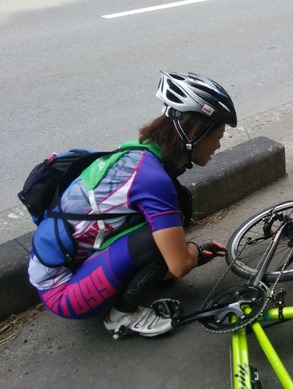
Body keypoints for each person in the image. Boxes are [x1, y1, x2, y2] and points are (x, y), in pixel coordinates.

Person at [27, 72, 236, 339]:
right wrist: (191, 252)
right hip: (64, 293)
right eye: (218, 134)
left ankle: (139, 278)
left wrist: (187, 253)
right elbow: (180, 266)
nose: (219, 143)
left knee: (170, 221)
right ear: (194, 133)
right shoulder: (153, 179)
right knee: (157, 240)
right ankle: (120, 317)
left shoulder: (140, 153)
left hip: (74, 266)